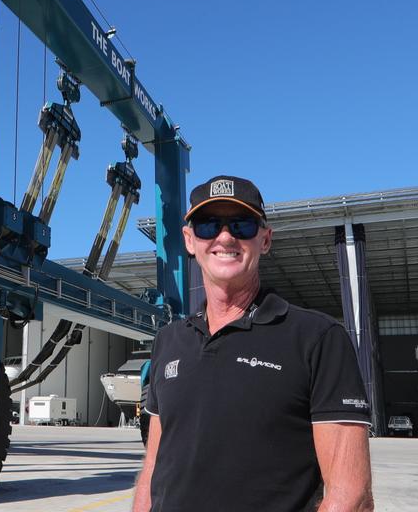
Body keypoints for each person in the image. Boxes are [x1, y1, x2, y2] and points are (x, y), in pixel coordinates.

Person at [132, 175, 374, 512]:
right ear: (189, 240)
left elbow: (352, 496)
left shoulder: (317, 339)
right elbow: (154, 469)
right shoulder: (168, 342)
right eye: (208, 225)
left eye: (242, 224)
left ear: (265, 239)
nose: (225, 237)